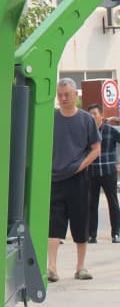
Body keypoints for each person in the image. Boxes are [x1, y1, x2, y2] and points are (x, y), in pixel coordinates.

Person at [47, 78, 101, 282]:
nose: (62, 99)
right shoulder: (51, 119)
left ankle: (80, 267)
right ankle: (51, 267)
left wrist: (79, 166)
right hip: (55, 178)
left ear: (75, 96)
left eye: (66, 95)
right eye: (60, 95)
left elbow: (96, 149)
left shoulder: (87, 120)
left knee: (80, 222)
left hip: (79, 178)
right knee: (54, 223)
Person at [86, 104, 120, 243]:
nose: (92, 116)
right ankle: (92, 235)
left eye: (95, 113)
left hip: (108, 171)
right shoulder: (86, 131)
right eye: (90, 114)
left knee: (113, 203)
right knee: (92, 204)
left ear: (101, 115)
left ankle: (116, 234)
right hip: (92, 172)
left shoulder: (110, 130)